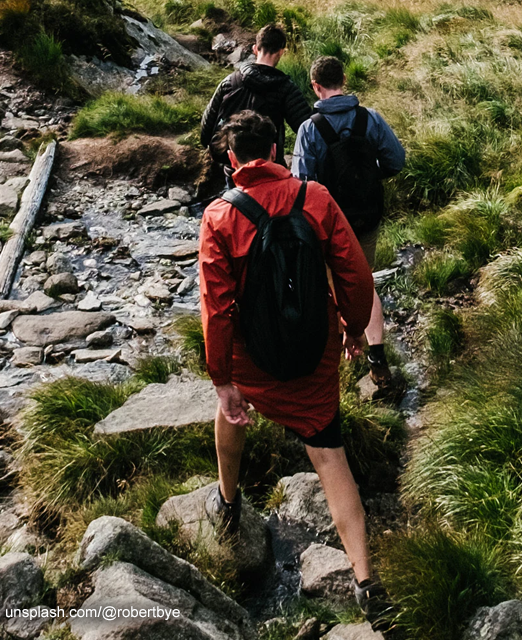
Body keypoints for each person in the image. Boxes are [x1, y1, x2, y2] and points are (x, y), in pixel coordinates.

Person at [198, 110, 392, 632]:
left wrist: (222, 381)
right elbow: (355, 272)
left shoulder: (219, 216)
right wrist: (352, 328)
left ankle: (229, 500)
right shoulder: (318, 198)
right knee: (330, 455)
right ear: (279, 150)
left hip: (250, 359)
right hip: (314, 351)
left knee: (231, 417)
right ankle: (365, 578)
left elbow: (216, 309)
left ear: (233, 158)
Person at [293, 55, 406, 385]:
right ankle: (377, 356)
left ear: (315, 86)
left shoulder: (309, 129)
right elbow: (396, 161)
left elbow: (302, 186)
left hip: (330, 223)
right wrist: (369, 179)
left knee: (333, 288)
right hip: (367, 217)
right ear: (343, 79)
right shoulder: (369, 118)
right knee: (363, 282)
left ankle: (342, 356)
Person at [200, 23, 312, 182]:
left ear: (255, 48)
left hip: (234, 169)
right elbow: (307, 129)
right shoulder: (286, 88)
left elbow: (206, 131)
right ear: (281, 52)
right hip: (269, 171)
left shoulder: (229, 82)